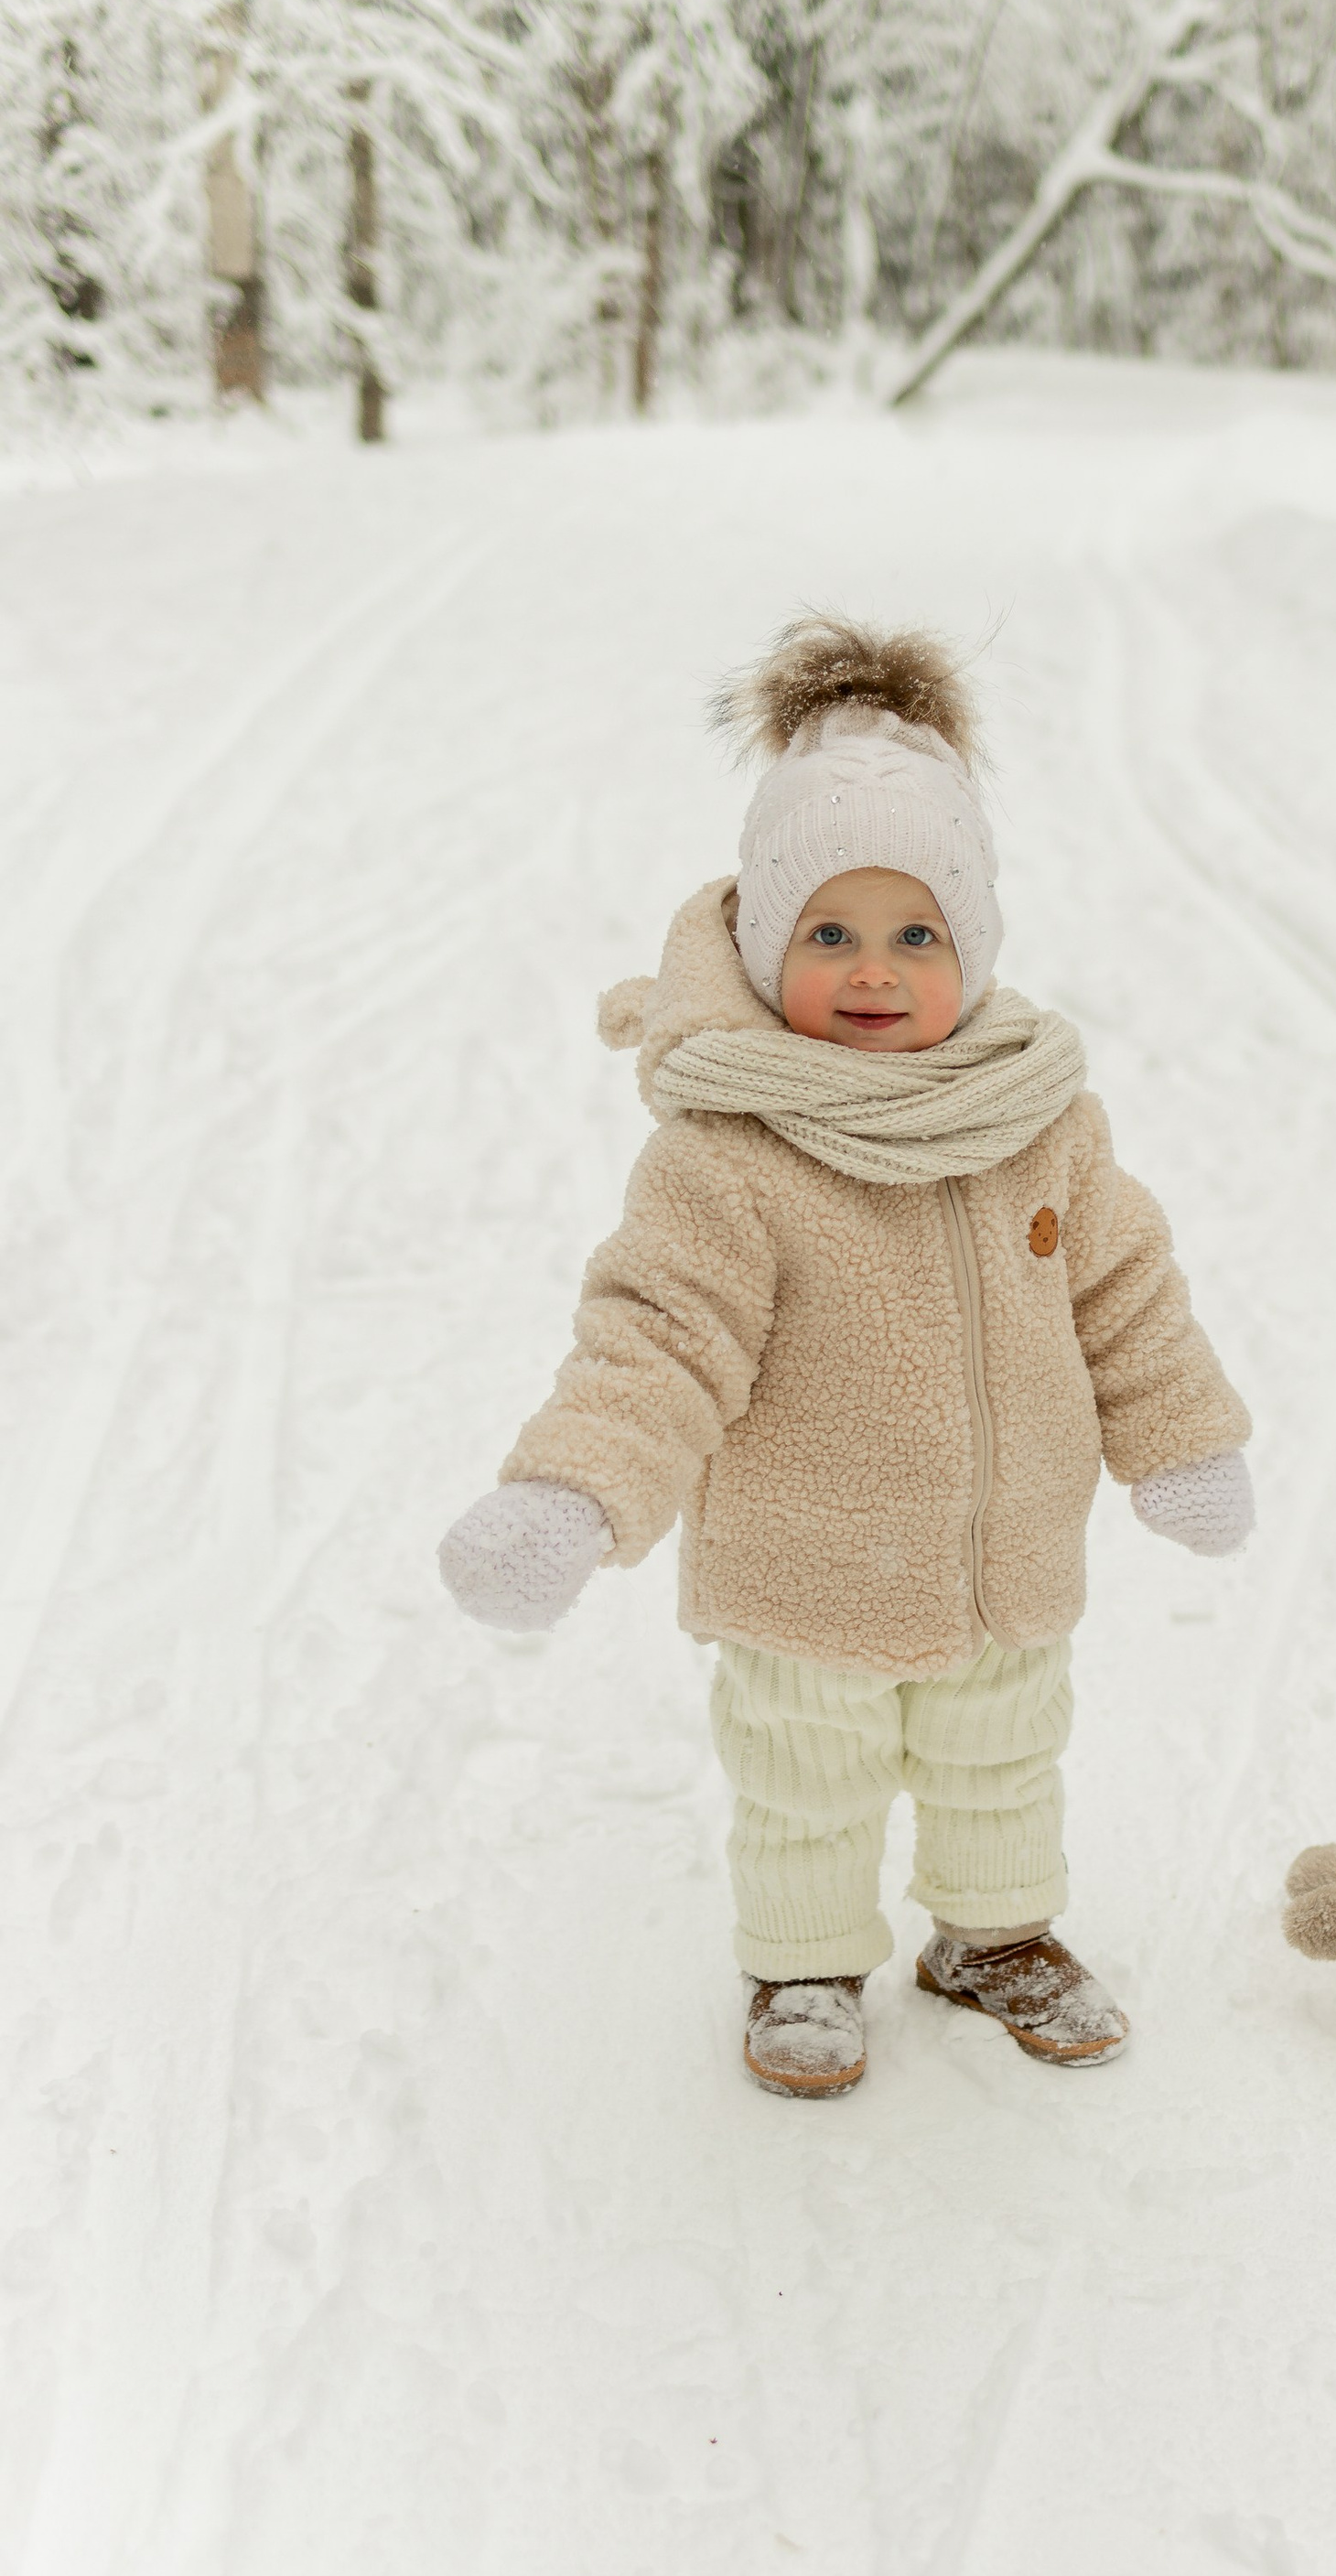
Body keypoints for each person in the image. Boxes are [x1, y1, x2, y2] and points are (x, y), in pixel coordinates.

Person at [436, 615, 1254, 2098]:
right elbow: (657, 1342)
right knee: (805, 1782)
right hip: (806, 1573)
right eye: (829, 934)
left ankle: (995, 1938)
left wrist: (1181, 1437)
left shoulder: (1037, 1116)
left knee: (1003, 1760)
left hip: (1007, 1562)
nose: (873, 972)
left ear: (974, 946)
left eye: (914, 934)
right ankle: (804, 1964)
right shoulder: (733, 1153)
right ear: (762, 942)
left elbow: (1126, 1292)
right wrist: (575, 1495)